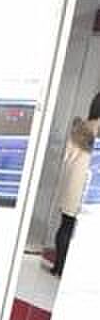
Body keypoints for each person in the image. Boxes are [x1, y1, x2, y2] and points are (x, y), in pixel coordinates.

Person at [52, 92, 100, 276]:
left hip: (74, 183)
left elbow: (66, 156)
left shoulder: (80, 128)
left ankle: (59, 267)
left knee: (66, 226)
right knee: (85, 233)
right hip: (93, 189)